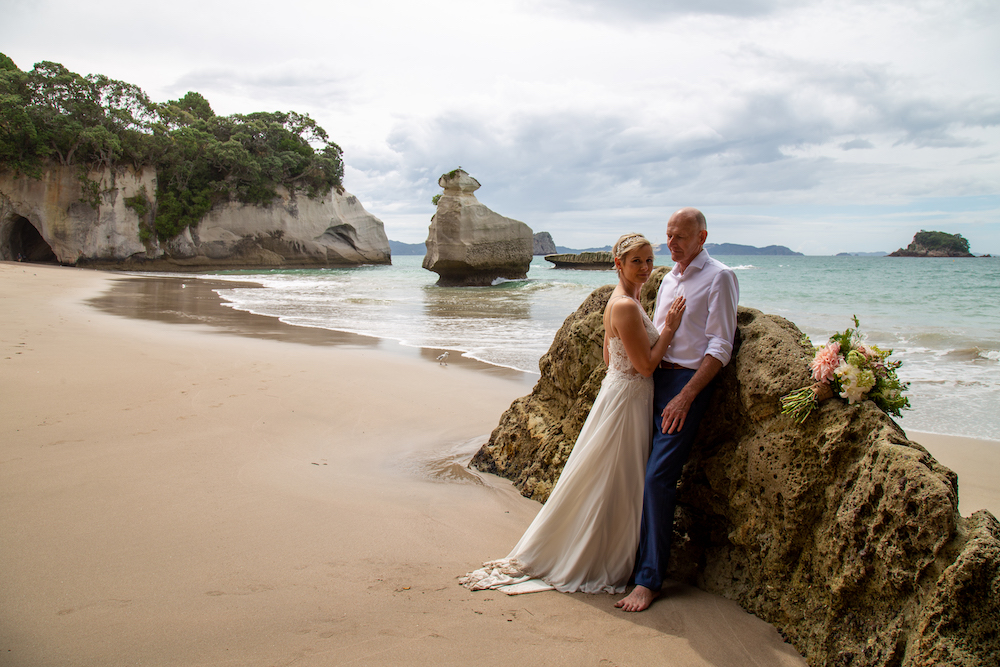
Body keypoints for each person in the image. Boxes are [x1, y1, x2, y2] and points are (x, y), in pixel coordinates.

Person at [460, 233, 686, 594]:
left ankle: (604, 547)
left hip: (621, 393)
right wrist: (670, 330)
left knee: (606, 475)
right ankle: (596, 555)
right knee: (614, 477)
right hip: (628, 398)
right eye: (636, 262)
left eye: (648, 261)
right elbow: (644, 366)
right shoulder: (626, 305)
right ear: (619, 264)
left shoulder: (627, 299)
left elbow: (610, 357)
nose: (645, 268)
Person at [615, 207, 739, 612]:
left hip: (685, 386)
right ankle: (628, 560)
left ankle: (649, 579)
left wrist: (686, 395)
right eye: (668, 237)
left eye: (681, 237)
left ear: (702, 237)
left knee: (657, 478)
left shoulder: (719, 277)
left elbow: (720, 346)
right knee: (636, 472)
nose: (672, 245)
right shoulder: (667, 278)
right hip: (651, 384)